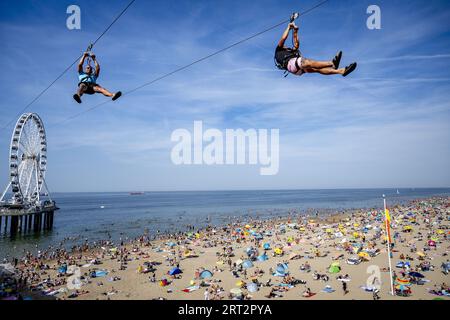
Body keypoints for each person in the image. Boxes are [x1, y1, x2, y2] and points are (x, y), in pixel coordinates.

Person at [274, 16, 357, 77]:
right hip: (292, 64)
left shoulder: (289, 51)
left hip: (295, 70)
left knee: (317, 69)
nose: (286, 46)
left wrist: (295, 31)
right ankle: (332, 63)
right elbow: (283, 38)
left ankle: (341, 71)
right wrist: (288, 27)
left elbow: (296, 45)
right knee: (307, 62)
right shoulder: (279, 49)